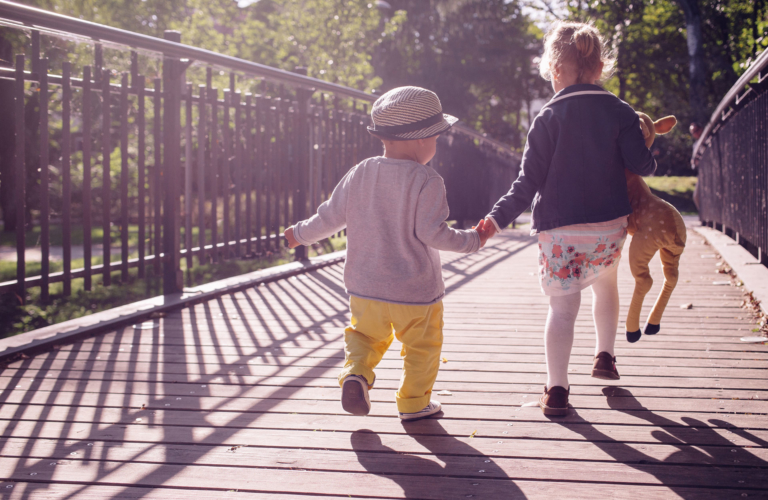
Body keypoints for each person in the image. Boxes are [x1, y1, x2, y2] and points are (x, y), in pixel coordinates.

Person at [480, 22, 657, 416]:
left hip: (560, 231)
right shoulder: (620, 111)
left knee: (562, 310)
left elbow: (527, 183)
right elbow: (643, 164)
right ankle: (605, 357)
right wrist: (645, 140)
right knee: (605, 283)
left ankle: (557, 389)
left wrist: (495, 220)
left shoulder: (547, 117)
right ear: (598, 67)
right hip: (608, 226)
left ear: (557, 69)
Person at [284, 86, 492, 421]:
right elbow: (432, 233)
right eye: (436, 138)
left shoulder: (360, 172)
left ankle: (356, 375)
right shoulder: (428, 180)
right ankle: (413, 403)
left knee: (364, 337)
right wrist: (473, 240)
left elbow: (329, 218)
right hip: (416, 293)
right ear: (422, 141)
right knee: (422, 349)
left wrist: (299, 234)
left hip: (365, 288)